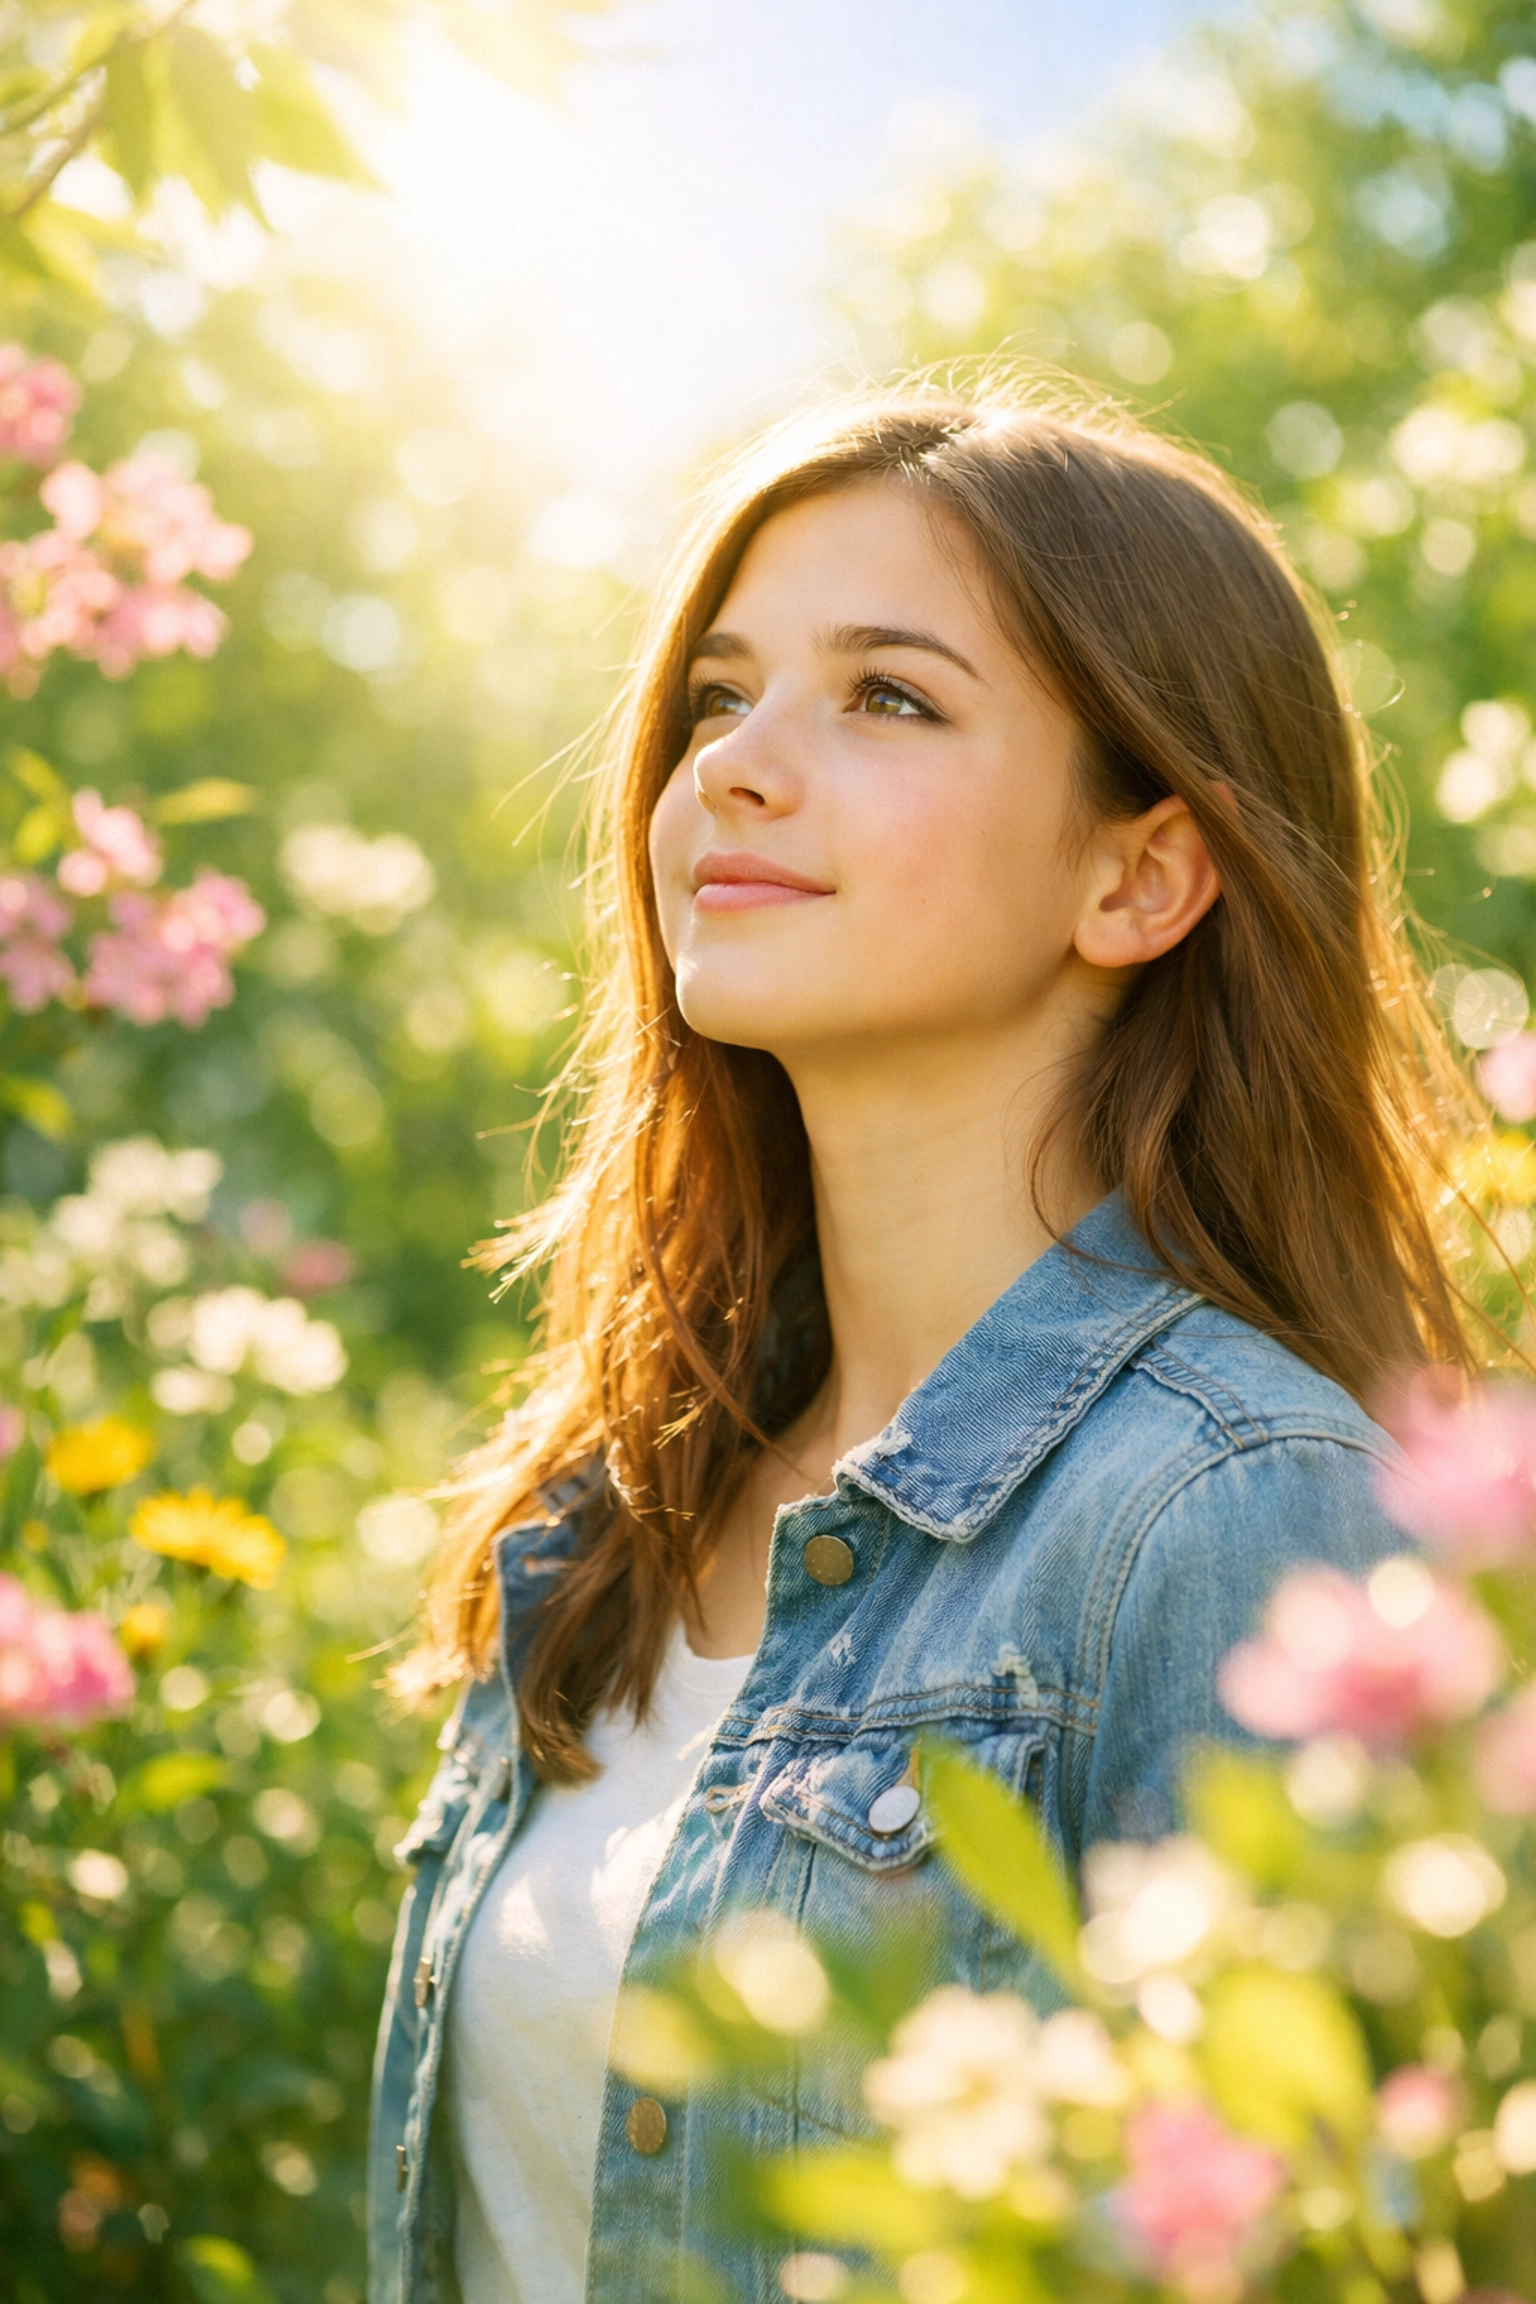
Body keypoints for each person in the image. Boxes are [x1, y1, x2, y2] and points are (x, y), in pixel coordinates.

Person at [368, 380, 1475, 2304]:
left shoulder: (1229, 1515)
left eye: (888, 696)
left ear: (1138, 876)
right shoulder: (606, 1503)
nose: (734, 767)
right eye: (721, 698)